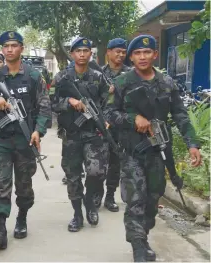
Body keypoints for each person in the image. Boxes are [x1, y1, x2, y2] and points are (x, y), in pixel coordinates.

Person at [104, 35, 201, 262]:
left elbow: (180, 115)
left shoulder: (167, 83)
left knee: (152, 200)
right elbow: (109, 114)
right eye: (137, 53)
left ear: (155, 55)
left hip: (158, 151)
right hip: (131, 152)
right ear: (131, 57)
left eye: (147, 52)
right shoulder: (122, 83)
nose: (142, 57)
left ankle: (143, 236)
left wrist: (192, 144)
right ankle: (138, 248)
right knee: (135, 200)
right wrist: (132, 118)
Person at [0, 31, 51, 249]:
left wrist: (38, 131)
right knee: (1, 184)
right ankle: (0, 230)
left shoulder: (33, 76)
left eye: (14, 45)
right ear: (2, 50)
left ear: (22, 48)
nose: (10, 49)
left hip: (25, 141)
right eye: (6, 46)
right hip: (2, 139)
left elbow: (44, 106)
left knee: (24, 186)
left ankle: (21, 217)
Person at [52, 37, 109, 232]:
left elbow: (108, 103)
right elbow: (51, 102)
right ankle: (77, 214)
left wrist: (106, 119)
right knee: (73, 176)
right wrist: (68, 101)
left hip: (94, 132)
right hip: (72, 134)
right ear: (72, 54)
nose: (82, 54)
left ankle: (90, 203)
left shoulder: (98, 77)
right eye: (78, 51)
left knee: (97, 172)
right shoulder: (61, 77)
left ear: (90, 53)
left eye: (86, 50)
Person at [93, 38, 131, 212]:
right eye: (117, 51)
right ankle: (97, 195)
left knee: (115, 163)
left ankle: (110, 197)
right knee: (98, 164)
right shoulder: (98, 74)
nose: (120, 55)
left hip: (120, 126)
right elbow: (91, 99)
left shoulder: (130, 74)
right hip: (100, 125)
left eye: (123, 52)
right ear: (108, 52)